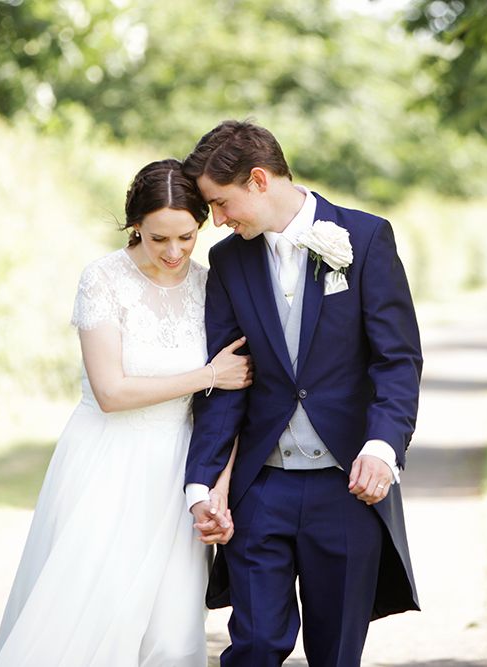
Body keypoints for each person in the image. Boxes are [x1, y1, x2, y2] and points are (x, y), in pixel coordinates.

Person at [0, 159, 252, 667]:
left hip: (179, 469)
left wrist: (217, 484)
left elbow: (232, 400)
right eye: (159, 239)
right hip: (106, 463)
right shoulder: (103, 279)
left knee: (173, 634)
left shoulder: (209, 284)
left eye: (186, 236)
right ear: (136, 224)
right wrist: (206, 376)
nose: (174, 252)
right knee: (92, 620)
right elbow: (111, 391)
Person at [183, 121, 423, 667]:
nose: (216, 220)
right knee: (257, 645)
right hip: (259, 490)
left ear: (259, 180)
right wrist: (202, 486)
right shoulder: (228, 261)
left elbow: (398, 360)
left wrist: (382, 449)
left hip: (346, 489)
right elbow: (225, 382)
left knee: (336, 653)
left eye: (221, 203)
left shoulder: (364, 238)